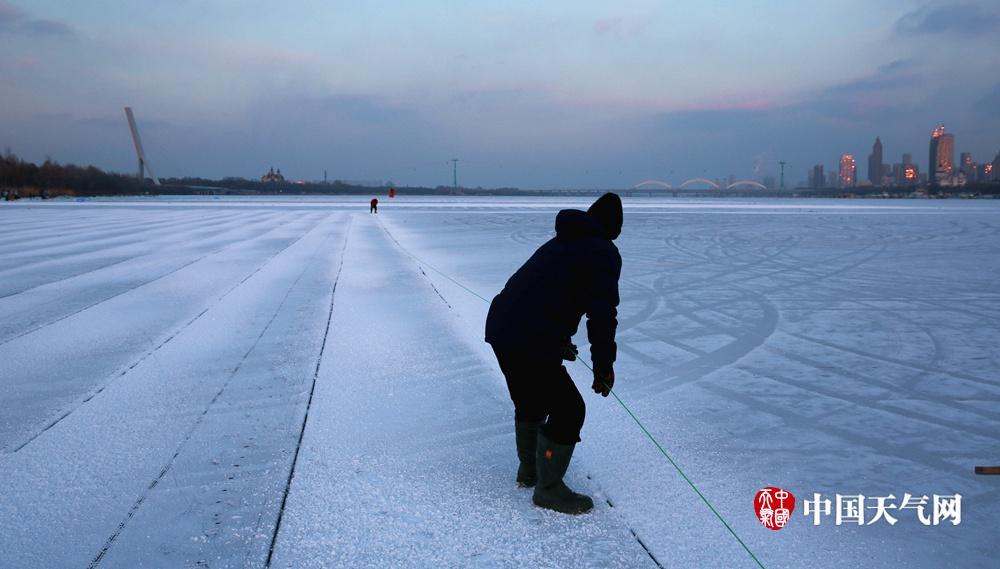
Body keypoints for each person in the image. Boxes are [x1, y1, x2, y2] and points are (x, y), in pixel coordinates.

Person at [485, 192, 622, 515]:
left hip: (502, 327)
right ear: (613, 227)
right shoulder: (603, 252)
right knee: (570, 410)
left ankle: (530, 472)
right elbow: (602, 315)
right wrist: (604, 366)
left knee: (531, 401)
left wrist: (557, 338)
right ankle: (548, 489)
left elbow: (542, 293)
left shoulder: (561, 242)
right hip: (527, 334)